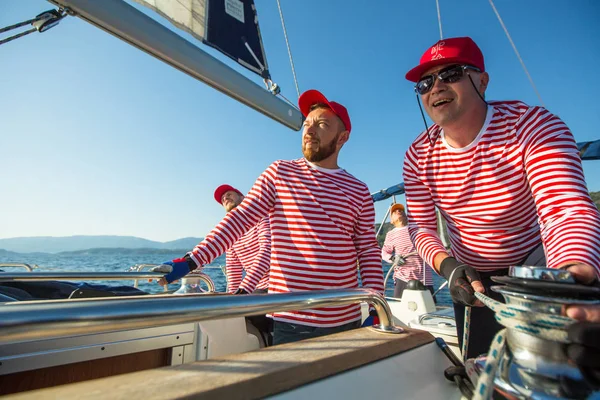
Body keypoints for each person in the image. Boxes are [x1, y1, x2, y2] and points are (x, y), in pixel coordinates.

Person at [402, 36, 600, 359]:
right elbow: (421, 228)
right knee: (481, 367)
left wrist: (570, 276)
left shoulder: (533, 127)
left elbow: (563, 209)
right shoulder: (417, 157)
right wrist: (448, 266)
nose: (436, 87)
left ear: (482, 80)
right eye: (425, 82)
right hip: (470, 276)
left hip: (535, 271)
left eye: (451, 73)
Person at [157, 89, 384, 345]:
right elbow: (239, 219)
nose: (309, 131)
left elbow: (367, 250)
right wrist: (191, 261)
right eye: (307, 124)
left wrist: (376, 305)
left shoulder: (358, 190)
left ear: (342, 137)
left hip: (347, 317)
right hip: (292, 319)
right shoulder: (280, 173)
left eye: (321, 125)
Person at [212, 184, 270, 295]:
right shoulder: (231, 235)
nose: (225, 198)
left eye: (229, 195)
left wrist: (244, 290)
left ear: (243, 198)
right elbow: (233, 271)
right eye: (223, 199)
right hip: (257, 289)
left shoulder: (261, 217)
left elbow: (267, 251)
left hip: (278, 283)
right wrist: (233, 302)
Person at [381, 203, 434, 298]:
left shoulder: (418, 229)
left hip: (424, 278)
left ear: (407, 216)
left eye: (401, 210)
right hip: (402, 278)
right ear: (391, 220)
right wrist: (393, 258)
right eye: (394, 211)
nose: (398, 211)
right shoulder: (390, 234)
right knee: (401, 309)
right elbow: (384, 252)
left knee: (429, 310)